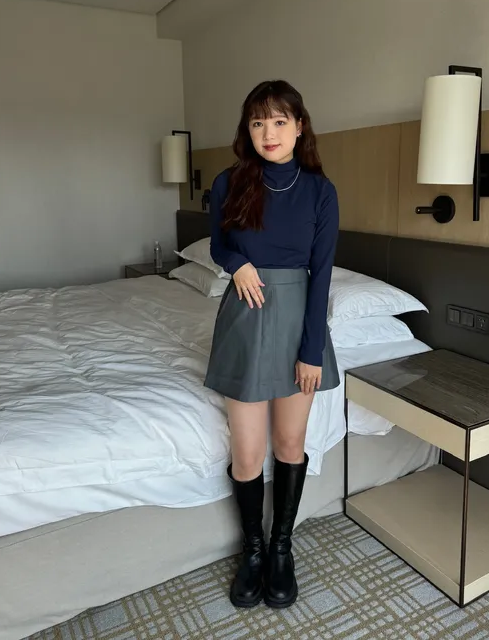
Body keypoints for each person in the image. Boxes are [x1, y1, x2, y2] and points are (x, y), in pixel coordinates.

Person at [204, 80, 340, 610]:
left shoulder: (320, 191)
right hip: (245, 318)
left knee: (288, 444)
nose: (269, 132)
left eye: (280, 121)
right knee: (247, 451)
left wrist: (312, 349)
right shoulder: (230, 181)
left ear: (299, 127)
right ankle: (253, 551)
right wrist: (236, 263)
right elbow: (218, 244)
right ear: (248, 128)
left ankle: (281, 547)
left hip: (298, 322)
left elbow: (322, 274)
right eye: (258, 122)